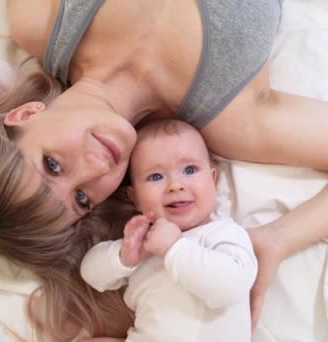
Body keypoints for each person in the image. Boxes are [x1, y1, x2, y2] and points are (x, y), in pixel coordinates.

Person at [0, 0, 328, 340]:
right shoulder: (228, 119)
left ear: (23, 116)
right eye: (82, 200)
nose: (93, 170)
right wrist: (270, 242)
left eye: (52, 164)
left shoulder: (39, 19)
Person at [80, 119, 257, 342]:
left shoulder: (224, 234)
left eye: (190, 170)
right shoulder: (143, 244)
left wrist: (174, 248)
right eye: (156, 177)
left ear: (213, 179)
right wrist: (123, 257)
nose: (175, 185)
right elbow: (90, 274)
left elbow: (230, 288)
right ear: (135, 198)